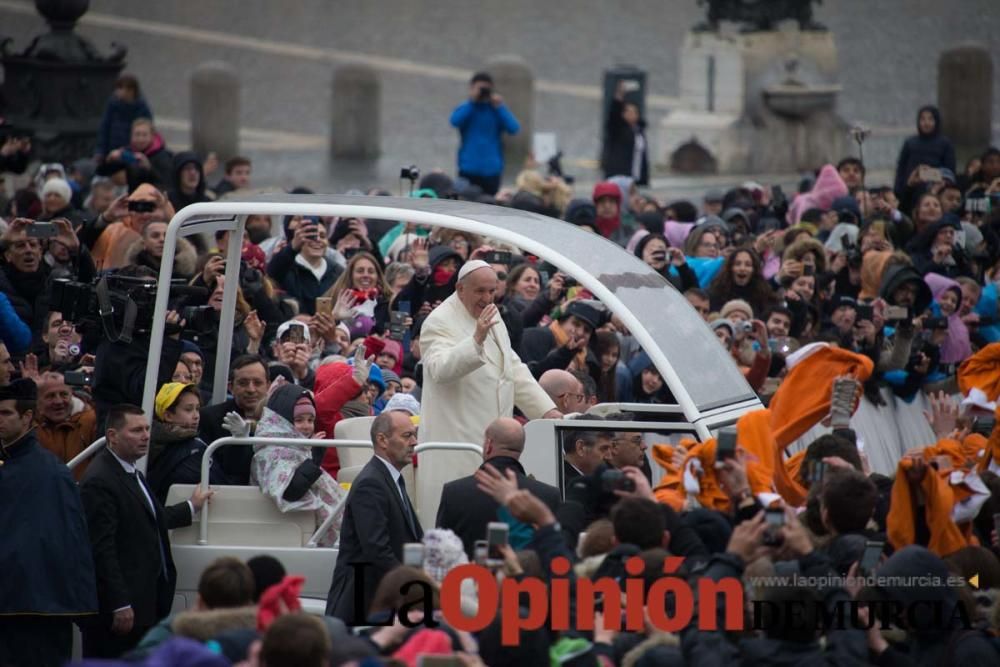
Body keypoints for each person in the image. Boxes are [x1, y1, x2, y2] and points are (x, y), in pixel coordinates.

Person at [78, 404, 212, 657]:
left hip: (143, 603)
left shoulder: (129, 472)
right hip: (120, 612)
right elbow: (101, 548)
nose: (146, 436)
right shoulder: (100, 480)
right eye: (136, 430)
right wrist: (119, 603)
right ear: (112, 436)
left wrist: (190, 507)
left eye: (148, 429)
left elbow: (150, 517)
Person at [0, 379, 98, 667]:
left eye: (5, 414)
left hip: (37, 608)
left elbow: (70, 539)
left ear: (27, 417)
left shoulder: (50, 472)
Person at [325, 410, 422, 622]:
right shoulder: (371, 483)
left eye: (414, 435)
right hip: (364, 605)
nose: (414, 442)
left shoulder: (391, 478)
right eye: (407, 436)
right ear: (382, 440)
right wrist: (412, 586)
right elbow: (377, 549)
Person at [436, 417, 561, 558]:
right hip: (526, 579)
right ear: (521, 449)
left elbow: (440, 551)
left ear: (488, 445)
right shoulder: (549, 495)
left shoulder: (454, 492)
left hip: (468, 577)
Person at [199, 354, 269, 485]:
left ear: (268, 386)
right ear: (231, 387)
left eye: (258, 383)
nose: (251, 389)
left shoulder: (281, 420)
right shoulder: (210, 418)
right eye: (243, 383)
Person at [449, 71, 520, 195]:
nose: (483, 92)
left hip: (492, 170)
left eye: (486, 89)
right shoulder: (467, 108)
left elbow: (513, 128)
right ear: (471, 89)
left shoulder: (496, 110)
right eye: (480, 89)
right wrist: (473, 102)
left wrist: (500, 107)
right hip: (468, 168)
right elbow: (455, 121)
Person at [34, 371, 98, 478]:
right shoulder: (30, 425)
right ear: (38, 401)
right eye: (50, 396)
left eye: (63, 394)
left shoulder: (90, 420)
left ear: (72, 395)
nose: (58, 401)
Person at [601, 80, 649, 185]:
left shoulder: (639, 130)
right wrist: (619, 95)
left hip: (636, 176)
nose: (631, 114)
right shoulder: (618, 128)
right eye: (628, 111)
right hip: (619, 176)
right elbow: (613, 115)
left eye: (634, 112)